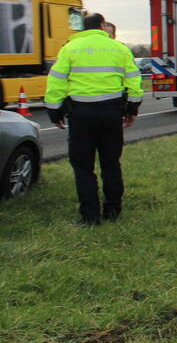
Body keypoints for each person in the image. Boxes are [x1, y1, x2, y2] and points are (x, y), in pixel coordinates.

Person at [44, 12, 143, 226]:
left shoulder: (70, 48)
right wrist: (132, 109)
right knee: (111, 163)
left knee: (83, 167)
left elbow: (56, 82)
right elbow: (134, 81)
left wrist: (55, 112)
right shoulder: (119, 48)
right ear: (102, 25)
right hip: (111, 113)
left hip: (81, 115)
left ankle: (89, 216)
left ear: (83, 27)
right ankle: (113, 211)